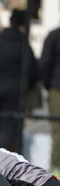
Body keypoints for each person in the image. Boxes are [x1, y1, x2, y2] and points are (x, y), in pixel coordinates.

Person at [0, 9, 38, 151]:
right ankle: (0, 159)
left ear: (11, 22)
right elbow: (33, 71)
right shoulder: (23, 45)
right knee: (8, 126)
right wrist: (28, 86)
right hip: (14, 91)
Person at [39, 23, 60, 175]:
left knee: (57, 130)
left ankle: (56, 168)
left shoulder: (54, 36)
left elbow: (44, 64)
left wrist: (49, 85)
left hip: (56, 88)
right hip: (56, 86)